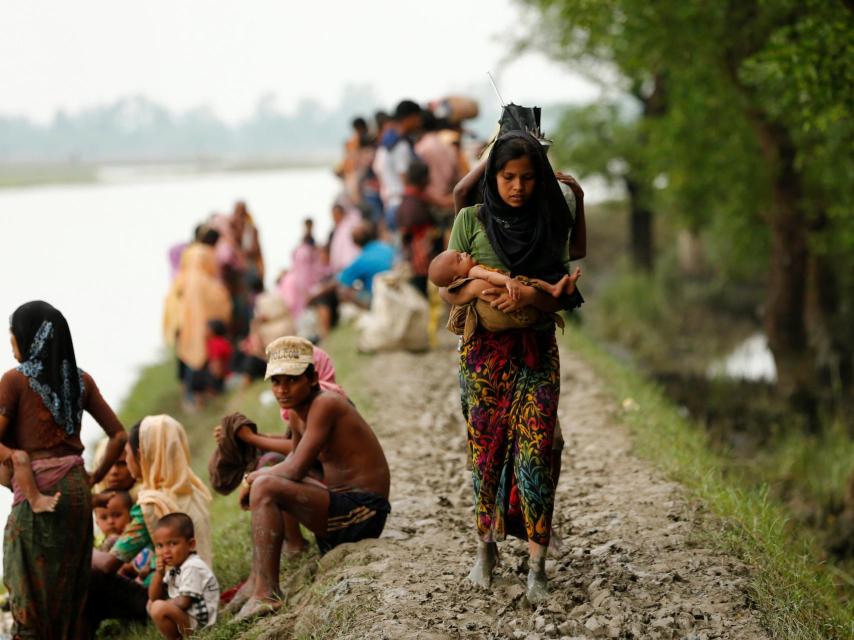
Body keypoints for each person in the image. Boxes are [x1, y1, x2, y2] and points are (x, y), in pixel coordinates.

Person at [440, 132, 582, 604]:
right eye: (506, 177)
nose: (517, 187)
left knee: (537, 453)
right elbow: (445, 288)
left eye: (526, 177)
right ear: (493, 177)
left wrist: (528, 294)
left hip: (536, 352)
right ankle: (486, 549)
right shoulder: (470, 220)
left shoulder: (548, 222)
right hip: (482, 355)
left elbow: (562, 292)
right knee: (486, 453)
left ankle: (537, 566)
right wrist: (480, 288)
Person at [230, 336, 390, 621]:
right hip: (340, 509)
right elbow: (295, 464)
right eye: (276, 382)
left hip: (363, 513)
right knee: (267, 479)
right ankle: (257, 582)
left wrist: (254, 477)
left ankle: (266, 594)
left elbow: (293, 471)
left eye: (291, 380)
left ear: (313, 378)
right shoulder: (296, 414)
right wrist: (260, 475)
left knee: (266, 484)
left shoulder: (326, 404)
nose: (282, 389)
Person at [0, 300, 127, 639]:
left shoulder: (13, 382)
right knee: (69, 592)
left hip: (37, 496)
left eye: (12, 337)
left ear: (28, 338)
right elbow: (119, 436)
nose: (11, 346)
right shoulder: (82, 381)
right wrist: (93, 478)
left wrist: (17, 459)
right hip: (76, 491)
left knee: (29, 593)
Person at [88, 415, 213, 631]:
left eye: (126, 455)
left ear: (141, 456)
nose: (126, 462)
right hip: (206, 591)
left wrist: (80, 548)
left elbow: (109, 564)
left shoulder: (151, 506)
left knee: (91, 574)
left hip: (168, 599)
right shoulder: (192, 489)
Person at [147, 513, 219, 639]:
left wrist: (164, 604)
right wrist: (159, 573)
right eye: (160, 545)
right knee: (151, 604)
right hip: (189, 618)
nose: (165, 551)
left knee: (158, 607)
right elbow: (153, 597)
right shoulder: (177, 568)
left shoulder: (192, 566)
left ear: (190, 544)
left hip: (202, 625)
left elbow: (184, 603)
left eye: (172, 544)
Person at [430, 248, 582, 300]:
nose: (464, 253)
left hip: (512, 283)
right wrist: (507, 281)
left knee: (533, 282)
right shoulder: (473, 271)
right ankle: (555, 289)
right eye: (459, 258)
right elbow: (490, 277)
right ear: (457, 278)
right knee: (532, 282)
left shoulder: (469, 276)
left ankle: (556, 288)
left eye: (460, 253)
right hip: (510, 284)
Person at [336, 221, 394, 305]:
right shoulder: (385, 247)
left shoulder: (361, 260)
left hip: (379, 299)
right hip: (395, 292)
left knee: (343, 291)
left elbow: (340, 280)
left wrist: (315, 294)